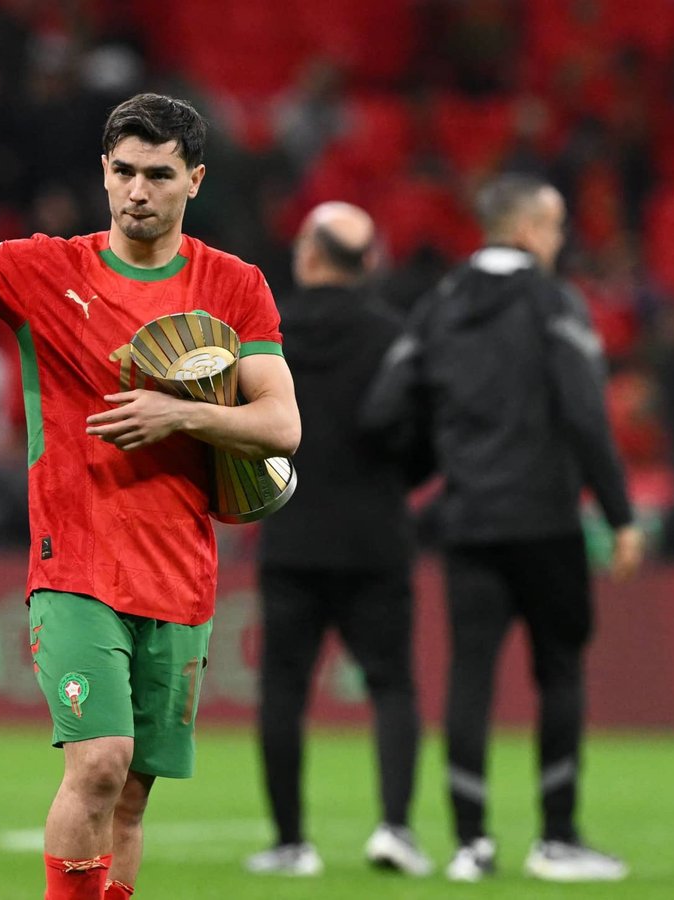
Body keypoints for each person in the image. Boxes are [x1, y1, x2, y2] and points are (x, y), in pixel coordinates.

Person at [0, 94, 299, 900]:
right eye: (123, 172)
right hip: (75, 563)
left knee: (129, 799)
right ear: (103, 173)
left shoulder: (236, 285)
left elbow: (282, 424)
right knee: (99, 762)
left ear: (194, 178)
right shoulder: (44, 269)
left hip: (180, 573)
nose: (138, 191)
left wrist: (178, 413)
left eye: (158, 174)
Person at [363, 174, 644, 883]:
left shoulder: (439, 305)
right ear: (525, 231)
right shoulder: (555, 302)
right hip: (546, 522)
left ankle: (469, 844)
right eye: (553, 228)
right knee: (559, 672)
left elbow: (387, 407)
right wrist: (620, 515)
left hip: (469, 521)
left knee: (469, 676)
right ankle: (556, 838)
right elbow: (585, 412)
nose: (558, 241)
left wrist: (429, 462)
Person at [244, 202, 431, 879]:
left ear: (312, 257)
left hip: (291, 535)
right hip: (375, 537)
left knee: (284, 690)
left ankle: (291, 842)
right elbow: (422, 437)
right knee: (392, 686)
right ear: (368, 263)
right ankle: (395, 829)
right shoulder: (396, 336)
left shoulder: (270, 330)